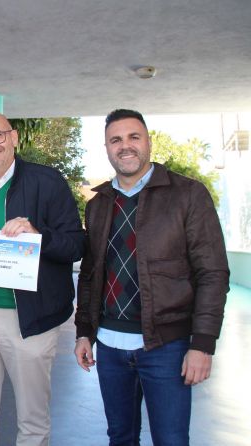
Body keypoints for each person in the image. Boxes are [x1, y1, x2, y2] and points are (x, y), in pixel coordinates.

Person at [74, 109, 229, 445]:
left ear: (148, 142)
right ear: (106, 147)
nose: (125, 146)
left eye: (134, 137)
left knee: (171, 439)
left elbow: (212, 272)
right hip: (111, 347)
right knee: (120, 437)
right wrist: (84, 330)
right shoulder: (99, 203)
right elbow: (90, 273)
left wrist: (203, 343)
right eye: (116, 139)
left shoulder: (188, 194)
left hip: (166, 347)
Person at [0, 111, 85, 446]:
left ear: (13, 137)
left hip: (29, 319)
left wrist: (37, 235)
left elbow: (76, 244)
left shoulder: (47, 181)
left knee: (32, 421)